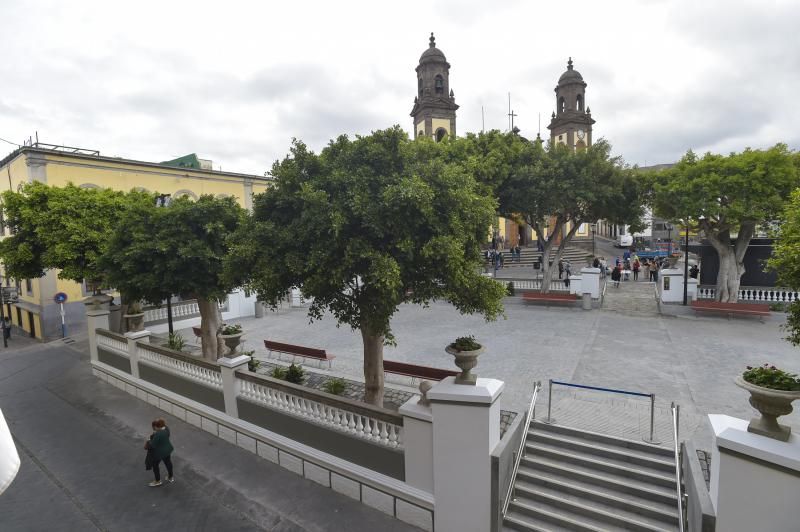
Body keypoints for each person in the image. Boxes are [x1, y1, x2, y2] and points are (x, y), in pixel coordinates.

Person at [145, 418, 174, 487]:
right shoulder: (166, 429)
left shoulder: (158, 434)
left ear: (156, 427)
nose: (153, 429)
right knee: (168, 463)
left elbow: (153, 445)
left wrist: (149, 440)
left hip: (159, 453)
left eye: (154, 427)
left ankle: (158, 481)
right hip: (168, 449)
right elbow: (166, 436)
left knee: (155, 465)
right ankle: (170, 477)